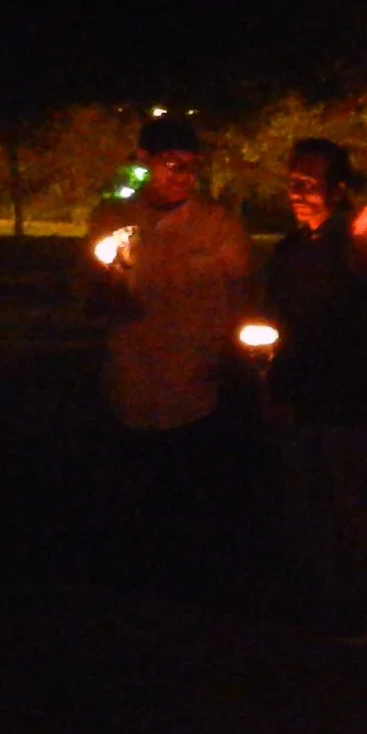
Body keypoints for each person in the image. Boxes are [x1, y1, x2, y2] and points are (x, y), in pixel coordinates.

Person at [83, 113, 253, 603]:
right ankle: (141, 589)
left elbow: (242, 296)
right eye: (172, 164)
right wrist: (109, 290)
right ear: (144, 161)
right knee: (138, 496)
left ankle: (199, 589)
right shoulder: (113, 222)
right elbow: (91, 302)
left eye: (191, 166)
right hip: (132, 385)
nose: (183, 176)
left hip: (194, 388)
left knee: (194, 498)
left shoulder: (217, 225)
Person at [259, 137, 367, 642]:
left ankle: (364, 605)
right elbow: (277, 320)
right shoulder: (289, 251)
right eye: (293, 180)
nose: (297, 191)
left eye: (309, 183)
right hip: (297, 394)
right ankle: (317, 596)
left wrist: (366, 240)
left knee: (350, 503)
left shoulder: (352, 248)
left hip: (344, 398)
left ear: (337, 189)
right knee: (305, 502)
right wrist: (271, 381)